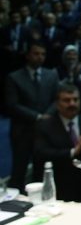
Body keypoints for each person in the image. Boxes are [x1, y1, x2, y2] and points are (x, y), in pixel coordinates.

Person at [33, 83, 81, 202]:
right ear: (57, 104)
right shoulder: (45, 125)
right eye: (66, 100)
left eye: (75, 99)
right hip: (59, 188)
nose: (72, 104)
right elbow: (41, 153)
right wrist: (74, 151)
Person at [4, 42, 59, 188]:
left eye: (43, 54)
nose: (40, 57)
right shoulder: (14, 77)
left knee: (41, 170)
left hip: (45, 130)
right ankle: (13, 203)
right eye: (36, 54)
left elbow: (56, 100)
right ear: (28, 55)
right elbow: (12, 105)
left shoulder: (51, 75)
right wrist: (38, 117)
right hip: (22, 130)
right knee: (19, 169)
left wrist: (46, 116)